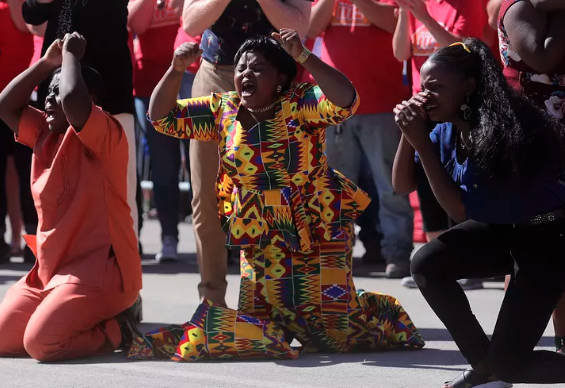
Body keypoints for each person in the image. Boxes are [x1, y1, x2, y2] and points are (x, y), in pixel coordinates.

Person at [127, 30, 424, 361]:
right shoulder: (222, 108)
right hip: (261, 235)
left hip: (316, 227)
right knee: (264, 331)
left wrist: (304, 56)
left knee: (334, 338)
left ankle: (382, 312)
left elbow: (346, 101)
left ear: (281, 78)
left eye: (257, 68)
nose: (245, 75)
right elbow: (161, 117)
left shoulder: (301, 103)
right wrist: (176, 69)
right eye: (241, 68)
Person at [393, 38, 565, 387]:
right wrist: (408, 135)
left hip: (549, 241)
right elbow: (401, 186)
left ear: (468, 86)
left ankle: (497, 366)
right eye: (423, 87)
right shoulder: (445, 126)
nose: (426, 96)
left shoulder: (501, 129)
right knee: (427, 263)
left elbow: (458, 211)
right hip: (509, 233)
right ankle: (484, 365)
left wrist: (421, 143)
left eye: (437, 87)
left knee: (512, 367)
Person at [0, 33, 142, 362]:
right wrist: (47, 63)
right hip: (50, 272)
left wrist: (72, 57)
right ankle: (73, 314)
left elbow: (75, 103)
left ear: (91, 99)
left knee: (42, 344)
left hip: (100, 274)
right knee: (5, 338)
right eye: (47, 93)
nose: (48, 100)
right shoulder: (44, 132)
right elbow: (6, 105)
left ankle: (118, 329)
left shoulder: (106, 134)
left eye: (57, 93)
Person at [182, 0, 312, 306]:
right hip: (215, 77)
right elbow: (191, 23)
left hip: (273, 83)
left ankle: (269, 300)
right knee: (206, 194)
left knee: (273, 190)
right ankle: (212, 303)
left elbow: (299, 26)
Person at [308, 0, 414, 278]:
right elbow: (312, 27)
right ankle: (335, 255)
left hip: (380, 103)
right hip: (334, 107)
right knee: (333, 188)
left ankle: (398, 253)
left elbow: (393, 23)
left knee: (390, 186)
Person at [22, 0, 140, 243]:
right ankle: (58, 258)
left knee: (121, 186)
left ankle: (122, 260)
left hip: (111, 91)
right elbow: (32, 12)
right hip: (58, 91)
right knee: (57, 181)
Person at [392, 0, 485, 290]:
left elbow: (465, 53)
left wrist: (422, 15)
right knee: (425, 182)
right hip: (429, 109)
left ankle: (468, 261)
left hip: (457, 107)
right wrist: (407, 12)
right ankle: (436, 257)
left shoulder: (465, 5)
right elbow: (400, 52)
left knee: (458, 181)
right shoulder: (418, 5)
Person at [498, 0, 565, 354]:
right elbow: (541, 59)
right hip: (532, 146)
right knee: (525, 251)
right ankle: (506, 354)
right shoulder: (519, 9)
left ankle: (563, 347)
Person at [129, 0, 186, 262]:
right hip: (149, 84)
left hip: (193, 79)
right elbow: (135, 23)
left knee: (204, 167)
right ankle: (168, 237)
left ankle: (221, 243)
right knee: (163, 166)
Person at [0, 0, 37, 264]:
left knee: (30, 174)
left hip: (24, 99)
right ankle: (3, 240)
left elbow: (29, 26)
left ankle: (33, 240)